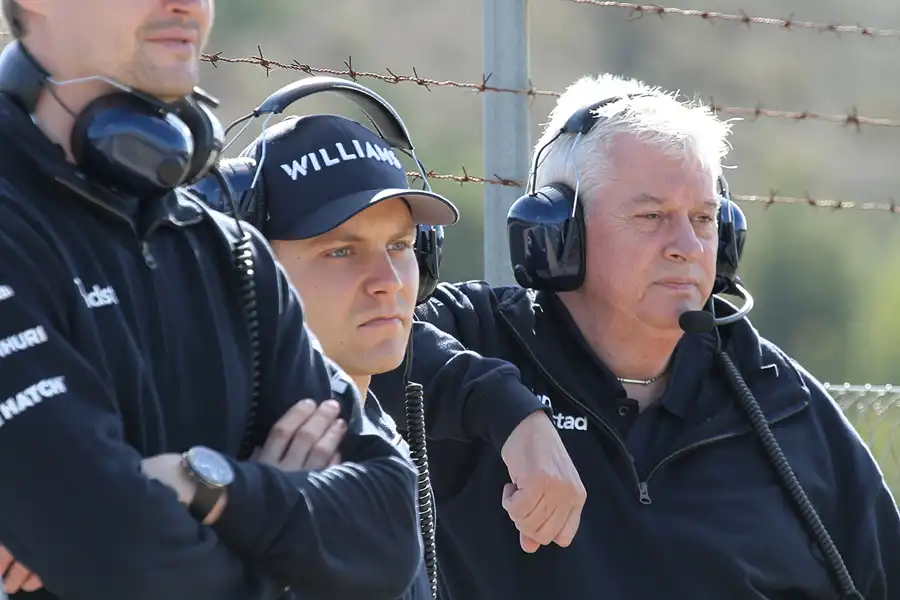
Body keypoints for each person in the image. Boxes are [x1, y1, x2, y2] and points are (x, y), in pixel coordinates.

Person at [370, 73, 900, 600]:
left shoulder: (780, 403)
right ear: (557, 235)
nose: (687, 245)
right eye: (651, 216)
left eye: (704, 218)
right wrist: (509, 413)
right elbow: (334, 348)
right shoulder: (478, 336)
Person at [0, 1, 424, 599]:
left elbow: (387, 534)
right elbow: (125, 562)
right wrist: (284, 546)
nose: (189, 5)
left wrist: (210, 485)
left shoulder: (231, 253)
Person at [187, 107, 587, 599]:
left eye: (400, 246)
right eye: (341, 251)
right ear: (249, 268)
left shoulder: (378, 427)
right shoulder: (206, 445)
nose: (389, 283)